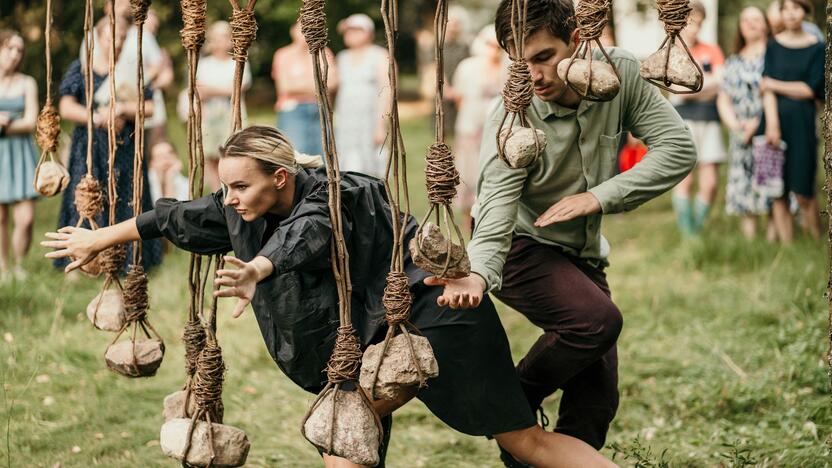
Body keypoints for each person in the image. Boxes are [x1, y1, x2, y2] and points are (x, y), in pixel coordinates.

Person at [43, 125, 617, 468]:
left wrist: (258, 270)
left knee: (524, 441)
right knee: (345, 434)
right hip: (365, 338)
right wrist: (99, 235)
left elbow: (311, 232)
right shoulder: (243, 204)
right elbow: (170, 216)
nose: (231, 197)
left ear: (282, 177)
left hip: (435, 316)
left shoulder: (343, 194)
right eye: (227, 185)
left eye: (242, 185)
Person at [425, 0, 696, 463]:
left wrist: (600, 196)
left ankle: (527, 453)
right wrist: (479, 274)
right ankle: (511, 406)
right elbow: (496, 210)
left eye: (543, 57)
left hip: (581, 248)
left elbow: (677, 148)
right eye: (519, 61)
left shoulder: (620, 73)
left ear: (577, 40)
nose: (531, 75)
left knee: (596, 402)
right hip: (518, 243)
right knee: (596, 321)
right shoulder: (511, 115)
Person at [57, 15, 161, 273]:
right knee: (85, 198)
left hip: (125, 148)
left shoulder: (133, 70)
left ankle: (129, 259)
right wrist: (96, 118)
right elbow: (66, 106)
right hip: (90, 146)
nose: (117, 43)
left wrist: (123, 110)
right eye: (111, 37)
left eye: (123, 39)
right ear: (98, 38)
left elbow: (150, 107)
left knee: (126, 195)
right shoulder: (82, 68)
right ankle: (79, 260)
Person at [761, 0, 824, 242]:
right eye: (785, 9)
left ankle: (815, 241)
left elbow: (810, 89)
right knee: (778, 189)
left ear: (804, 12)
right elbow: (765, 91)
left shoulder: (817, 48)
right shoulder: (773, 46)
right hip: (775, 122)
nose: (790, 14)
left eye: (796, 8)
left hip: (803, 123)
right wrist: (772, 124)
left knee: (804, 190)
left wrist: (774, 84)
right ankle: (788, 248)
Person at [670, 1, 726, 236]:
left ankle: (698, 228)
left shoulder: (712, 50)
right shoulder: (672, 50)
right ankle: (688, 235)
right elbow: (674, 88)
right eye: (691, 22)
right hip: (683, 121)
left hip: (710, 119)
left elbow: (721, 82)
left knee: (710, 182)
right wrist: (705, 84)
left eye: (699, 23)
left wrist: (692, 87)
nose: (695, 28)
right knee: (685, 179)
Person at [717, 6, 772, 239]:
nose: (750, 24)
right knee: (743, 185)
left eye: (756, 19)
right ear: (740, 27)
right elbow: (723, 99)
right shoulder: (733, 61)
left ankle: (774, 242)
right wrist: (738, 128)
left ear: (766, 24)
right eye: (745, 20)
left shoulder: (774, 56)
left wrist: (757, 124)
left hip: (768, 128)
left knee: (770, 184)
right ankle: (750, 245)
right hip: (740, 133)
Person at [451, 25, 506, 231]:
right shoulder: (468, 67)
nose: (494, 50)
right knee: (468, 170)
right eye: (490, 44)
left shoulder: (507, 68)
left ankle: (489, 214)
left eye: (498, 46)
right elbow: (459, 98)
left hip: (496, 128)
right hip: (471, 127)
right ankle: (468, 217)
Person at [0, 30, 38, 281]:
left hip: (21, 152)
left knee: (25, 218)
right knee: (0, 216)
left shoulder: (27, 83)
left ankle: (19, 264)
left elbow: (31, 121)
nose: (15, 55)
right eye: (10, 48)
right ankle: (3, 268)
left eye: (19, 50)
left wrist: (5, 123)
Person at [198, 20, 253, 191]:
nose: (221, 41)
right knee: (211, 156)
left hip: (232, 115)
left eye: (225, 36)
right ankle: (217, 193)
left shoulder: (238, 62)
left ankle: (232, 188)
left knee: (232, 153)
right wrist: (226, 89)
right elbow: (200, 91)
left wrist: (213, 90)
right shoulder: (204, 64)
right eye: (217, 37)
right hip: (210, 116)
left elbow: (238, 88)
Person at [334, 14, 389, 178]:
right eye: (348, 31)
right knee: (348, 163)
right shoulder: (341, 57)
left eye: (355, 30)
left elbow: (386, 89)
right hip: (347, 120)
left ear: (368, 32)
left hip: (369, 119)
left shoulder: (379, 55)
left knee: (371, 164)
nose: (350, 34)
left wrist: (381, 125)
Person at [272, 21, 337, 156]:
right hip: (292, 109)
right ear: (293, 31)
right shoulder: (283, 54)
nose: (305, 33)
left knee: (324, 154)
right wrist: (318, 86)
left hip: (320, 108)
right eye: (302, 29)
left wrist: (301, 85)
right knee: (296, 153)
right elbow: (286, 87)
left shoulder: (324, 52)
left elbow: (332, 83)